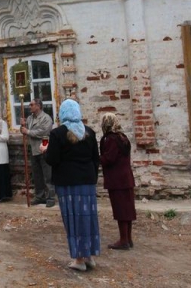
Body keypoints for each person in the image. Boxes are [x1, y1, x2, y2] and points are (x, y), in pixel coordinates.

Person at [42, 99, 100, 271]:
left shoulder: (58, 134)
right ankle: (89, 255)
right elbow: (95, 159)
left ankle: (79, 259)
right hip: (87, 183)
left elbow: (53, 159)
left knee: (73, 219)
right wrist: (92, 178)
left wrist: (45, 151)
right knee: (88, 219)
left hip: (68, 183)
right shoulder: (89, 132)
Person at [100, 112, 136, 250]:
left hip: (117, 179)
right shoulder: (123, 137)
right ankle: (128, 238)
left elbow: (109, 158)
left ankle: (123, 240)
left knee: (121, 210)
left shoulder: (110, 139)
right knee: (127, 209)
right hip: (126, 178)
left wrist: (95, 158)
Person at [20, 98, 55, 207]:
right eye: (29, 104)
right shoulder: (30, 118)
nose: (29, 106)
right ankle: (40, 196)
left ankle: (50, 197)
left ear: (38, 106)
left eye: (31, 104)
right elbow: (24, 131)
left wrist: (28, 131)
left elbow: (44, 132)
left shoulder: (46, 118)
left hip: (44, 147)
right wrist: (23, 126)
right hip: (33, 149)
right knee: (37, 175)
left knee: (47, 175)